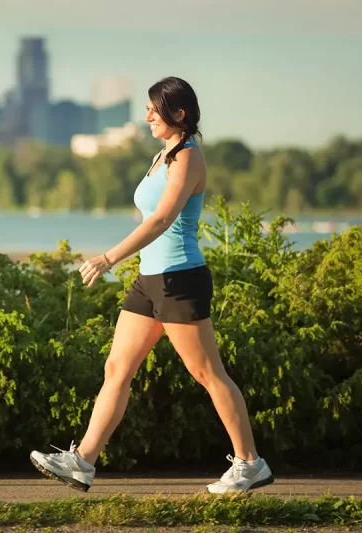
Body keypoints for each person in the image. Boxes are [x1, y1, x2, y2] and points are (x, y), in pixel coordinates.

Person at [29, 76, 274, 494]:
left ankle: (251, 464)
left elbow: (160, 221)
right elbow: (149, 217)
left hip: (180, 279)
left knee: (207, 372)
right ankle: (83, 461)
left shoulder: (188, 158)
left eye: (154, 110)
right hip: (149, 280)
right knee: (116, 369)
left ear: (179, 114)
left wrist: (109, 258)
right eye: (146, 108)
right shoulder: (161, 156)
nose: (147, 117)